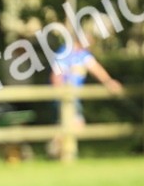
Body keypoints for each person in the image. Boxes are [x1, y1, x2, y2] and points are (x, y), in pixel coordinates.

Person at [48, 32, 123, 160]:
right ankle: (62, 152)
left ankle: (57, 150)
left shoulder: (84, 55)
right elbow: (56, 75)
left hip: (74, 96)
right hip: (65, 96)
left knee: (70, 124)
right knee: (76, 123)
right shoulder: (65, 53)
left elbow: (96, 69)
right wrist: (60, 92)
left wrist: (109, 82)